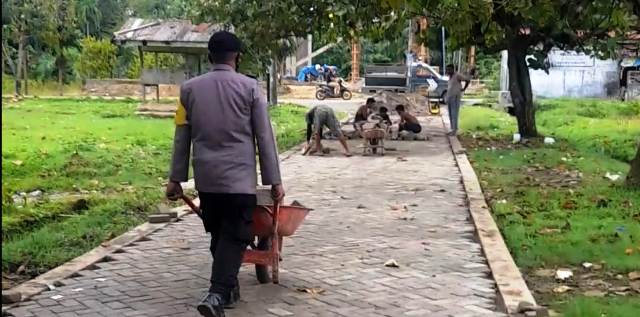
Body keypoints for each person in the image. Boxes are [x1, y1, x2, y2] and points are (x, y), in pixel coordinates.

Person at [165, 31, 284, 317]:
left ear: (209, 58)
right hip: (239, 180)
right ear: (238, 58)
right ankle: (217, 294)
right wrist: (274, 181)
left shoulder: (189, 90)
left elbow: (182, 136)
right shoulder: (251, 87)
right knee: (235, 235)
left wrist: (175, 178)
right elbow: (264, 137)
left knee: (219, 233)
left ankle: (228, 289)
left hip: (207, 178)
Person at [445, 64, 471, 135]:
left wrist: (464, 89)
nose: (447, 71)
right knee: (450, 114)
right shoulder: (450, 77)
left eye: (449, 69)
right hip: (450, 97)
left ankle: (455, 130)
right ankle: (452, 129)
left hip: (455, 97)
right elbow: (450, 88)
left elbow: (467, 80)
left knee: (454, 113)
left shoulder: (457, 75)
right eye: (447, 69)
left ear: (453, 69)